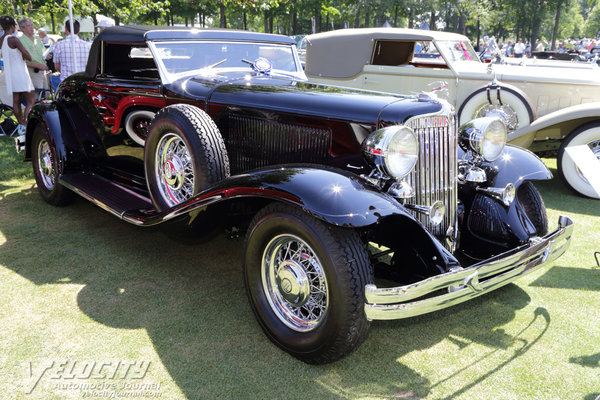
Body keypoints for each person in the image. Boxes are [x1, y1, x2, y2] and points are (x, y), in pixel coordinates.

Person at [0, 16, 35, 136]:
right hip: (20, 72)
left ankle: (21, 126)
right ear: (12, 26)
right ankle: (26, 124)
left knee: (16, 100)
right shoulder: (13, 39)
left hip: (10, 74)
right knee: (31, 100)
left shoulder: (2, 39)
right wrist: (28, 56)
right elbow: (26, 54)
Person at [18, 17, 49, 91]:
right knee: (36, 97)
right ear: (23, 28)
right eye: (29, 26)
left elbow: (43, 52)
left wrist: (47, 56)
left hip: (43, 71)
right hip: (32, 72)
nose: (32, 27)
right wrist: (37, 65)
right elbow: (20, 61)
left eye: (32, 25)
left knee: (46, 96)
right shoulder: (20, 41)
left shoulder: (37, 39)